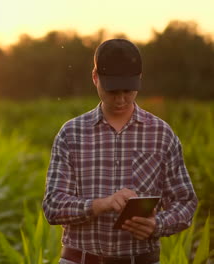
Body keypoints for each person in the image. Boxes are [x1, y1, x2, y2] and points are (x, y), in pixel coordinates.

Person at [42, 39, 198, 264]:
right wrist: (101, 204)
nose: (121, 98)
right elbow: (53, 206)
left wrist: (157, 224)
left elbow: (185, 202)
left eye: (129, 89)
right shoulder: (71, 133)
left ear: (140, 79)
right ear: (95, 77)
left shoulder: (161, 134)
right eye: (112, 90)